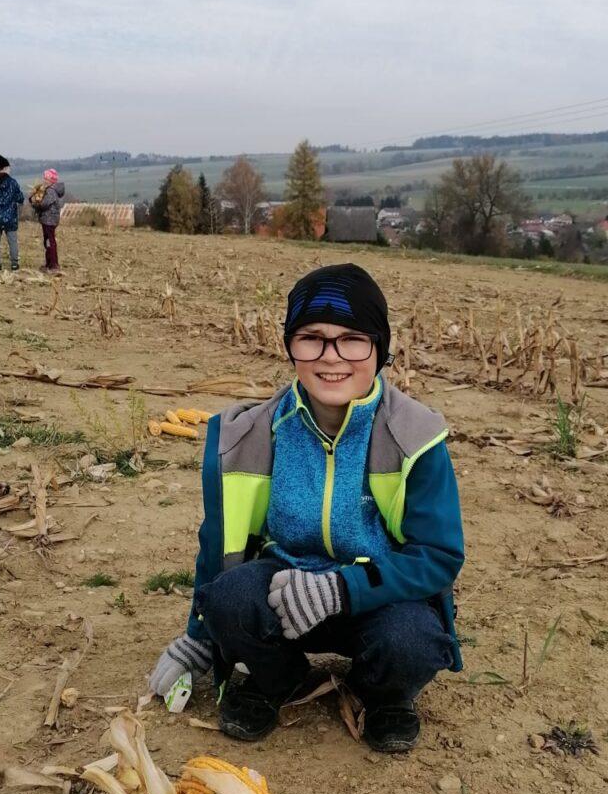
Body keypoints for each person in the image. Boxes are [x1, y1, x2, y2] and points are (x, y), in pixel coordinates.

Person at [148, 264, 464, 755]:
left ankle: (381, 692)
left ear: (379, 348)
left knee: (413, 642)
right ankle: (280, 678)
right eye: (311, 338)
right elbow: (219, 544)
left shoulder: (417, 438)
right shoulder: (248, 434)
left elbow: (439, 557)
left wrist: (340, 589)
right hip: (285, 591)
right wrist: (200, 637)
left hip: (380, 597)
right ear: (289, 346)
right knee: (227, 600)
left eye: (352, 339)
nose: (331, 357)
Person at [29, 168, 65, 273]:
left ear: (50, 180)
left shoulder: (50, 191)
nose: (43, 181)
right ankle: (49, 264)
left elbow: (44, 204)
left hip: (49, 220)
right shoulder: (52, 190)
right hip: (49, 219)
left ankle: (53, 265)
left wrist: (35, 203)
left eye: (45, 179)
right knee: (48, 241)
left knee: (50, 241)